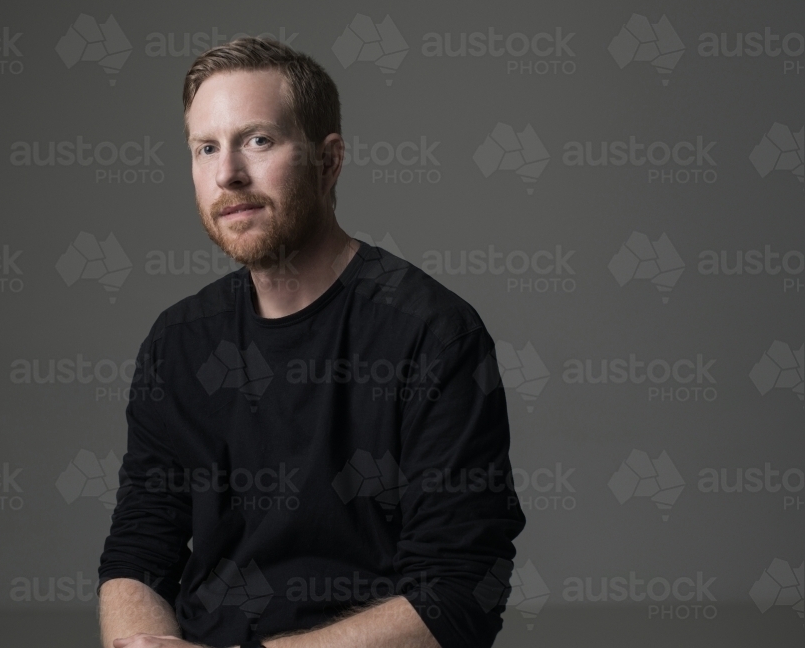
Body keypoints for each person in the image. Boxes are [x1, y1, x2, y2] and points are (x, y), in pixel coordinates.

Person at [98, 37, 525, 648]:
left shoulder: (431, 334)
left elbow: (459, 595)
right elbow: (138, 552)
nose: (228, 174)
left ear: (329, 160)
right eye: (206, 148)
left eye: (258, 140)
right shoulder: (178, 343)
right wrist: (140, 643)